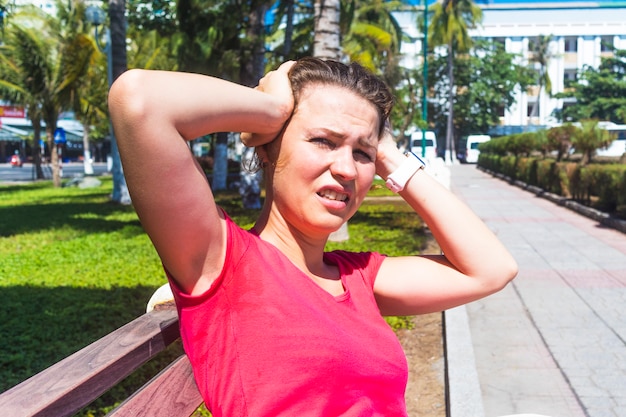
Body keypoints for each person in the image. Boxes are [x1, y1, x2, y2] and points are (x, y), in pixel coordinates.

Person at [108, 57, 518, 417]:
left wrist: (388, 154)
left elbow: (491, 269)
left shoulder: (358, 277)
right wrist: (273, 107)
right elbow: (140, 99)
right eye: (324, 140)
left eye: (362, 154)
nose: (347, 169)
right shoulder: (223, 261)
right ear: (267, 149)